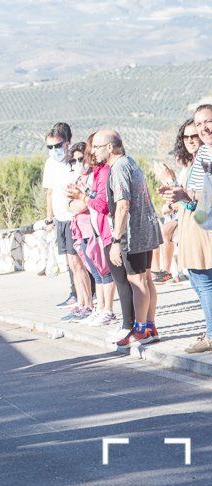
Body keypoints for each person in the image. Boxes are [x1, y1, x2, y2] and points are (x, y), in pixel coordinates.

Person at [93, 130, 163, 347]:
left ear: (110, 148)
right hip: (146, 229)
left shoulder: (119, 167)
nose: (93, 151)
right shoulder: (130, 162)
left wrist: (116, 241)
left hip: (132, 234)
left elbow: (123, 205)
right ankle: (150, 326)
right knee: (146, 279)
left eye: (96, 146)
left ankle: (141, 329)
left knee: (137, 281)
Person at [161, 105, 212, 352]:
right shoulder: (198, 160)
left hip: (204, 228)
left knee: (203, 282)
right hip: (195, 225)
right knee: (199, 281)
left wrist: (181, 191)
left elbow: (203, 199)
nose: (201, 132)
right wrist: (178, 194)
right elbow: (196, 199)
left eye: (206, 124)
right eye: (193, 131)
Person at [66, 137, 116, 326]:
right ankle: (100, 308)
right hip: (84, 231)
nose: (79, 163)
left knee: (104, 271)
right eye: (75, 160)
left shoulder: (98, 175)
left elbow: (88, 204)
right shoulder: (81, 179)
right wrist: (76, 202)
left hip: (95, 230)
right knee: (96, 273)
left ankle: (107, 310)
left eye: (81, 158)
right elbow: (71, 205)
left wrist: (80, 200)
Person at [43, 124, 91, 310]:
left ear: (67, 143)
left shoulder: (74, 162)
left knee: (79, 263)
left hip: (74, 218)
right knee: (71, 263)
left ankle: (87, 302)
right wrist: (49, 219)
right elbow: (50, 192)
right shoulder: (50, 164)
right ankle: (81, 301)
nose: (54, 150)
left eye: (57, 145)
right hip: (60, 219)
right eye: (50, 147)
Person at [154, 118, 203, 284]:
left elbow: (193, 198)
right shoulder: (189, 168)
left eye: (194, 136)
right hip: (189, 225)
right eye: (186, 137)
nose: (189, 140)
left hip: (200, 228)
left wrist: (171, 182)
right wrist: (170, 195)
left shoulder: (202, 165)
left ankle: (166, 270)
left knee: (203, 285)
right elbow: (185, 197)